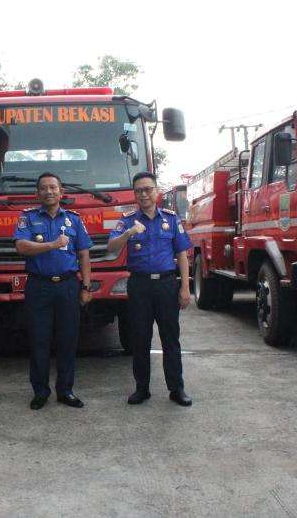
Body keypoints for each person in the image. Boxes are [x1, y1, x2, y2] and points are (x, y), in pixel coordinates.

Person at [107, 171, 193, 406]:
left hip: (166, 284)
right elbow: (111, 247)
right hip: (140, 285)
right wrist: (128, 233)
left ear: (157, 191)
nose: (143, 194)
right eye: (139, 191)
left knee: (170, 338)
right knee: (140, 338)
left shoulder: (171, 219)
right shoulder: (127, 220)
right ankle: (142, 389)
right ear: (134, 194)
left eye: (148, 189)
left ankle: (177, 389)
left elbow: (182, 255)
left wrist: (185, 287)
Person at [14, 172, 93, 410]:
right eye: (44, 188)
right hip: (39, 286)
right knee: (39, 340)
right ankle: (40, 392)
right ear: (37, 193)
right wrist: (52, 245)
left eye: (53, 188)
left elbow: (84, 254)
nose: (49, 192)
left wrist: (86, 286)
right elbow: (21, 247)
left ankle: (65, 390)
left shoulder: (75, 220)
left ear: (61, 192)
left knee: (68, 340)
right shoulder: (27, 218)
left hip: (69, 285)